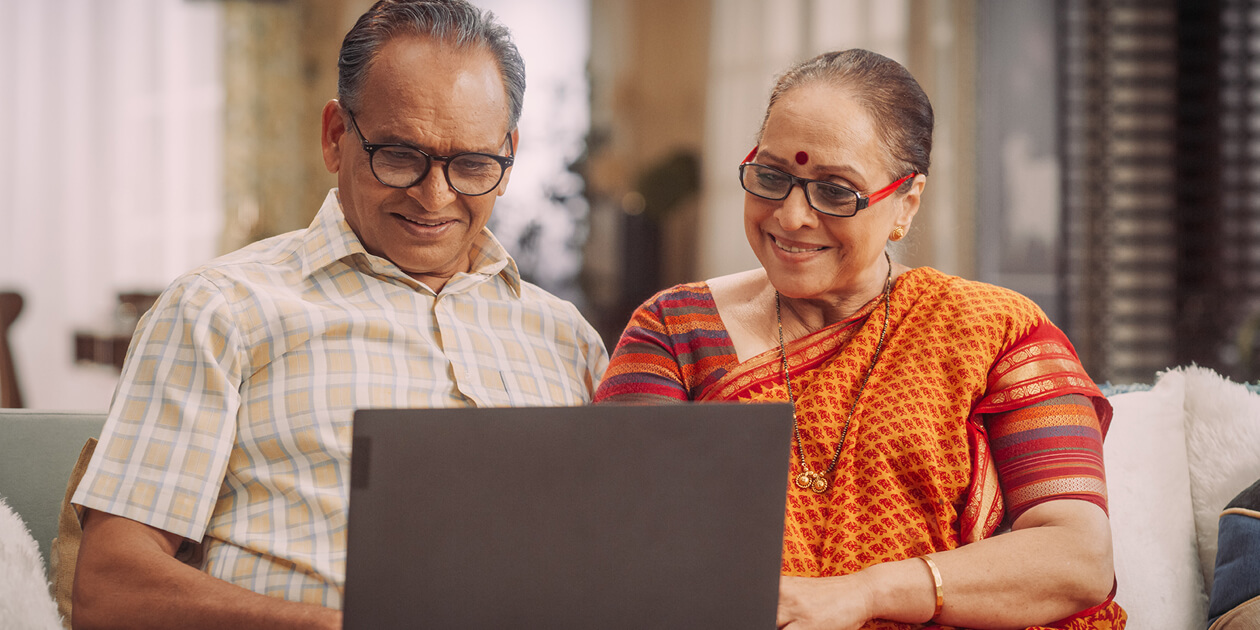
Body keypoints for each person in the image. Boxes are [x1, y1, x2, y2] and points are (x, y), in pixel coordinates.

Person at [70, 1, 607, 628]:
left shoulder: (569, 340)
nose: (435, 197)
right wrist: (331, 625)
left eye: (472, 165)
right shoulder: (219, 310)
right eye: (400, 155)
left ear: (509, 156)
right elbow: (109, 589)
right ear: (335, 135)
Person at [595, 49, 1124, 630]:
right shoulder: (674, 330)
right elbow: (627, 549)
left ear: (906, 203)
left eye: (836, 190)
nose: (792, 216)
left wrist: (868, 594)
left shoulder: (996, 331)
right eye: (771, 177)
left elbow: (1079, 558)